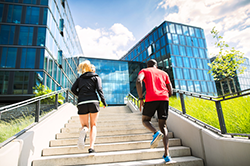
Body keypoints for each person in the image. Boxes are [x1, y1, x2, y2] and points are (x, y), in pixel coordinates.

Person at [136, 59, 173, 162]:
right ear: (156, 65)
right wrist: (166, 96)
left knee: (145, 121)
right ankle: (167, 154)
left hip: (151, 98)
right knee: (164, 126)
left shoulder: (145, 71)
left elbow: (139, 81)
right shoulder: (164, 73)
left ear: (148, 65)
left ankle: (155, 132)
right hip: (164, 99)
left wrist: (140, 98)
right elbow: (171, 90)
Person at [71, 60, 107, 153]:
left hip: (82, 102)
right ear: (92, 70)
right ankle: (91, 147)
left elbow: (73, 89)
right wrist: (103, 101)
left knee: (84, 125)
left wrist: (80, 95)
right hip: (93, 102)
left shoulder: (79, 79)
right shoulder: (96, 77)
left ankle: (84, 130)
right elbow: (99, 89)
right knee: (93, 125)